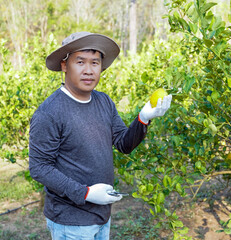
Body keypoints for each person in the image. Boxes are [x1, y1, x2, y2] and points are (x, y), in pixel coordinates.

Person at [28, 32, 172, 240]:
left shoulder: (104, 102)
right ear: (64, 65)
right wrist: (84, 193)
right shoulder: (50, 113)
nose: (88, 70)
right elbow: (39, 168)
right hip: (71, 221)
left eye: (95, 63)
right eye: (80, 62)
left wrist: (143, 118)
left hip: (102, 214)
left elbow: (123, 144)